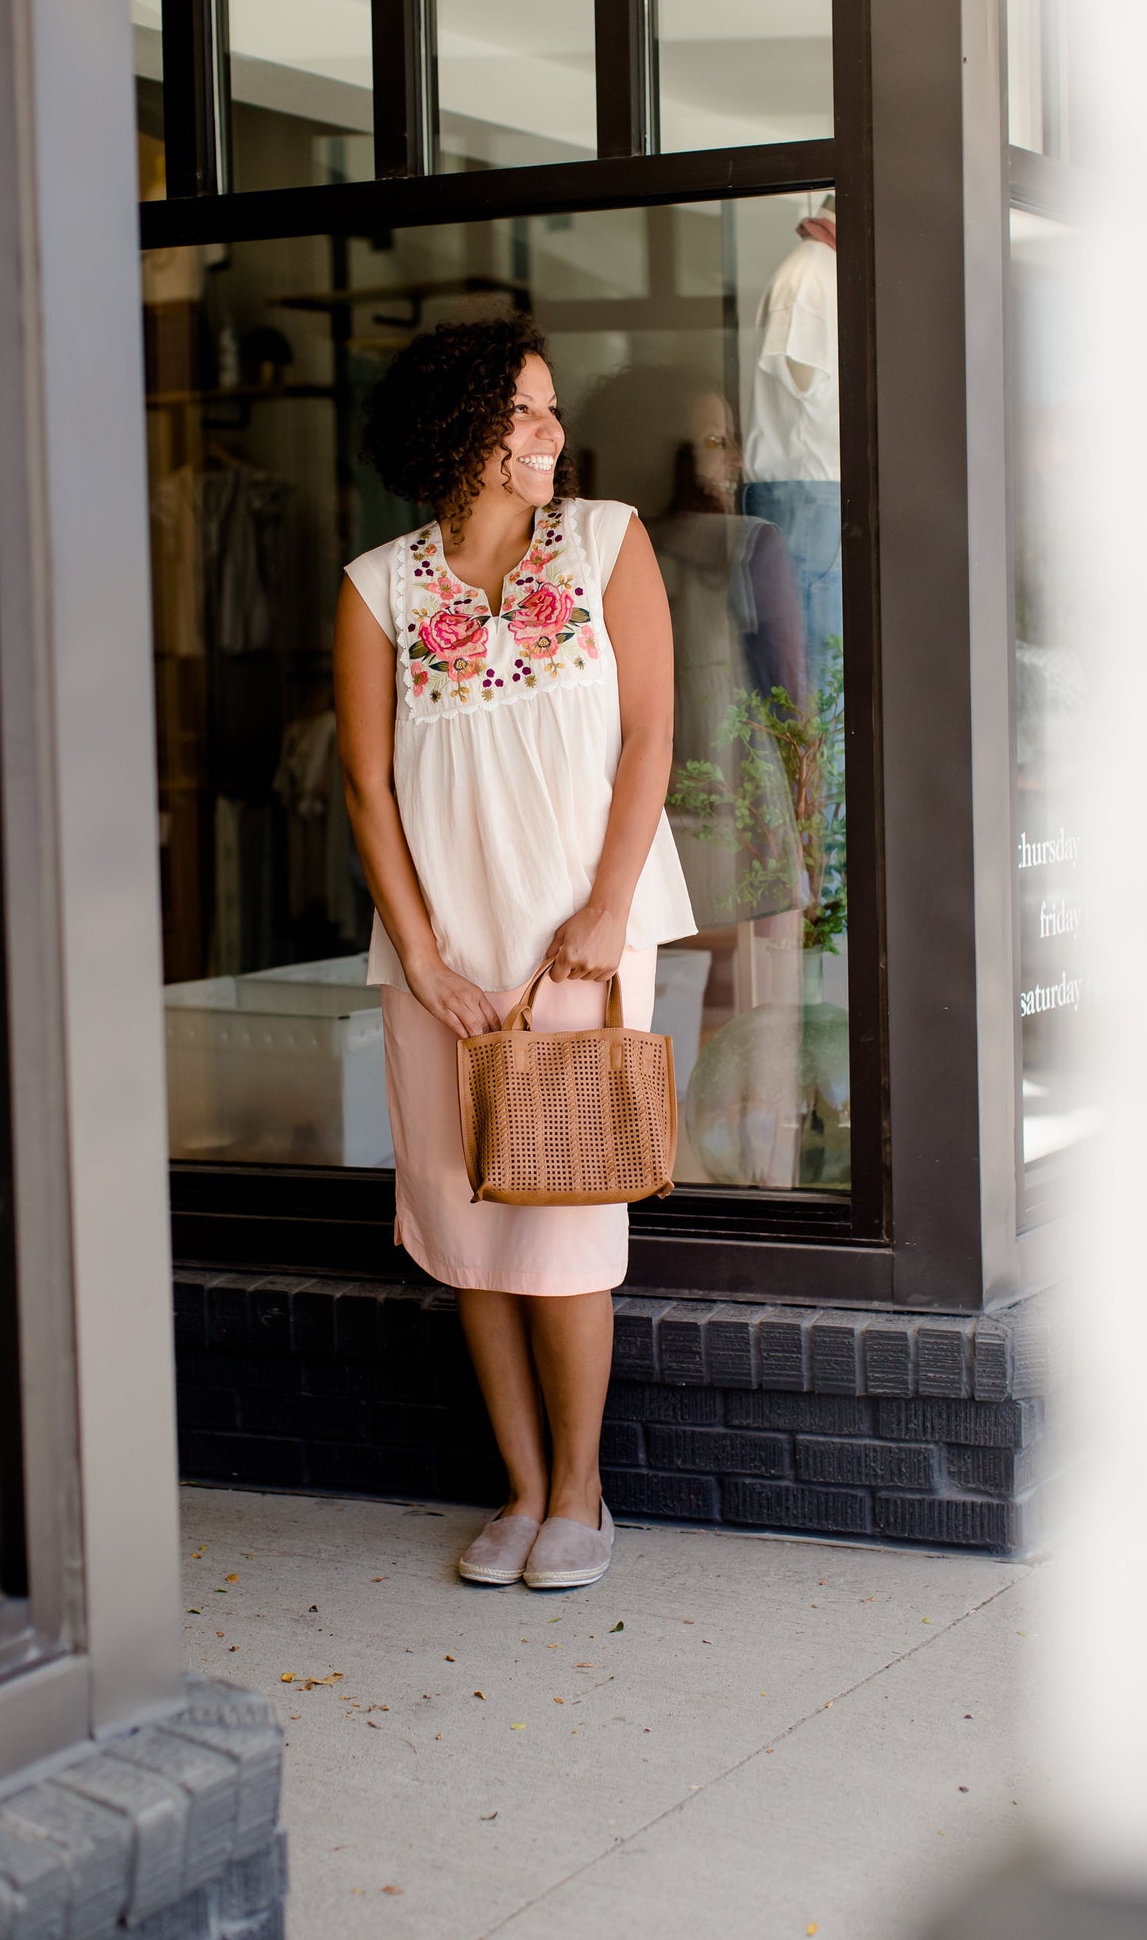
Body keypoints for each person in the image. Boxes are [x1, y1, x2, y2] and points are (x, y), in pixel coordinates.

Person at [333, 314, 696, 1590]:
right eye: (526, 411)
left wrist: (604, 916)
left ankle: (583, 1494)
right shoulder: (379, 583)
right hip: (444, 957)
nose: (551, 432)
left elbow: (650, 734)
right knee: (466, 1218)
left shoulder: (605, 544)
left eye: (550, 409)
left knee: (567, 1223)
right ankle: (521, 1488)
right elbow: (369, 791)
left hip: (580, 944)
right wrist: (423, 961)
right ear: (463, 429)